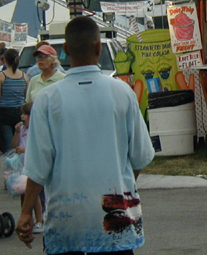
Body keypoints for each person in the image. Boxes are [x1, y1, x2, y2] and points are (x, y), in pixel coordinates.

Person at [15, 16, 154, 253]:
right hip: (116, 223)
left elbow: (38, 167)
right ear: (99, 47)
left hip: (66, 224)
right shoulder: (123, 92)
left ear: (65, 50)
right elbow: (139, 157)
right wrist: (119, 185)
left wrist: (27, 212)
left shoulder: (47, 100)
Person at [12, 102, 44, 234]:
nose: (23, 117)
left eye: (26, 114)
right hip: (22, 166)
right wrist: (16, 132)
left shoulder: (36, 130)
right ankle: (26, 218)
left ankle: (39, 221)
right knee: (23, 194)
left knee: (33, 194)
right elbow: (14, 145)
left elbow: (38, 147)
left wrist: (25, 149)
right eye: (22, 114)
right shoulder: (22, 130)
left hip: (33, 166)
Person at [0, 48, 29, 153]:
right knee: (20, 143)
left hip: (4, 113)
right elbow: (26, 97)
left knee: (8, 147)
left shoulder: (1, 76)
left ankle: (10, 167)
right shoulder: (24, 76)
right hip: (20, 112)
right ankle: (20, 167)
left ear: (5, 60)